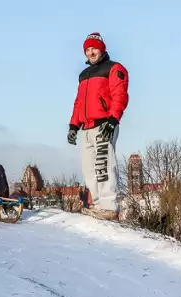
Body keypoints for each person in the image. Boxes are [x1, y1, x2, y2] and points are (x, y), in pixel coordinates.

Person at [67, 32, 129, 221]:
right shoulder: (83, 75)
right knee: (89, 169)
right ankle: (98, 204)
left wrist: (113, 119)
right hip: (86, 127)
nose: (91, 52)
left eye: (94, 48)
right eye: (87, 49)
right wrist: (73, 125)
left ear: (101, 48)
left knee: (103, 164)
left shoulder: (114, 68)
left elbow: (120, 94)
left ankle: (109, 206)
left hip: (104, 124)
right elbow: (79, 102)